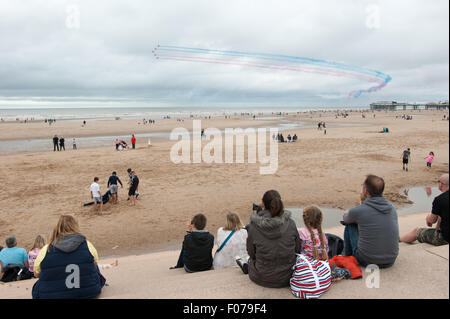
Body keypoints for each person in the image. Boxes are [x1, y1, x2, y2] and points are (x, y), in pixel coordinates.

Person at [32, 215, 106, 299]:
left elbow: (36, 273)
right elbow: (95, 263)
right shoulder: (87, 244)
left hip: (52, 295)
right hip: (88, 292)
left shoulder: (46, 249)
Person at [238, 190, 301, 288]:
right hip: (288, 275)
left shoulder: (253, 226)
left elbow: (251, 253)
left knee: (250, 260)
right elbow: (297, 249)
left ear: (263, 204)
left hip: (262, 277)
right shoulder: (291, 223)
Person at [341, 175, 399, 268]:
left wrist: (348, 213)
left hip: (368, 260)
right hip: (391, 259)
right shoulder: (392, 208)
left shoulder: (359, 210)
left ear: (366, 191)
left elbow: (346, 219)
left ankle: (346, 255)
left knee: (350, 225)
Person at [400, 174, 449, 246]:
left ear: (441, 184)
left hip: (445, 238)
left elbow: (432, 220)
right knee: (442, 214)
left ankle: (399, 241)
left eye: (438, 182)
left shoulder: (439, 199)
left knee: (416, 231)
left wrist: (428, 217)